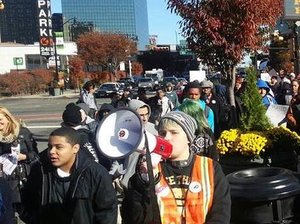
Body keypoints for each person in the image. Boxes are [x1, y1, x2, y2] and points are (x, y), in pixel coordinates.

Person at [121, 111, 231, 224]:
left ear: (189, 138)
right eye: (162, 133)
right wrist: (145, 183)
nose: (167, 138)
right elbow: (133, 217)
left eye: (174, 132)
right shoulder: (150, 169)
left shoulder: (210, 168)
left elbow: (221, 212)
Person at [20, 127, 118, 224]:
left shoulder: (95, 173)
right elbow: (26, 201)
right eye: (50, 146)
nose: (51, 151)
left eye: (59, 147)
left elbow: (107, 211)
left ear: (75, 148)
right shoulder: (40, 170)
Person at [0, 107, 39, 215]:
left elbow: (36, 155)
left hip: (23, 178)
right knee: (7, 213)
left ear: (8, 118)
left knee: (27, 212)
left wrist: (24, 157)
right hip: (4, 179)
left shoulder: (23, 132)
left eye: (0, 119)